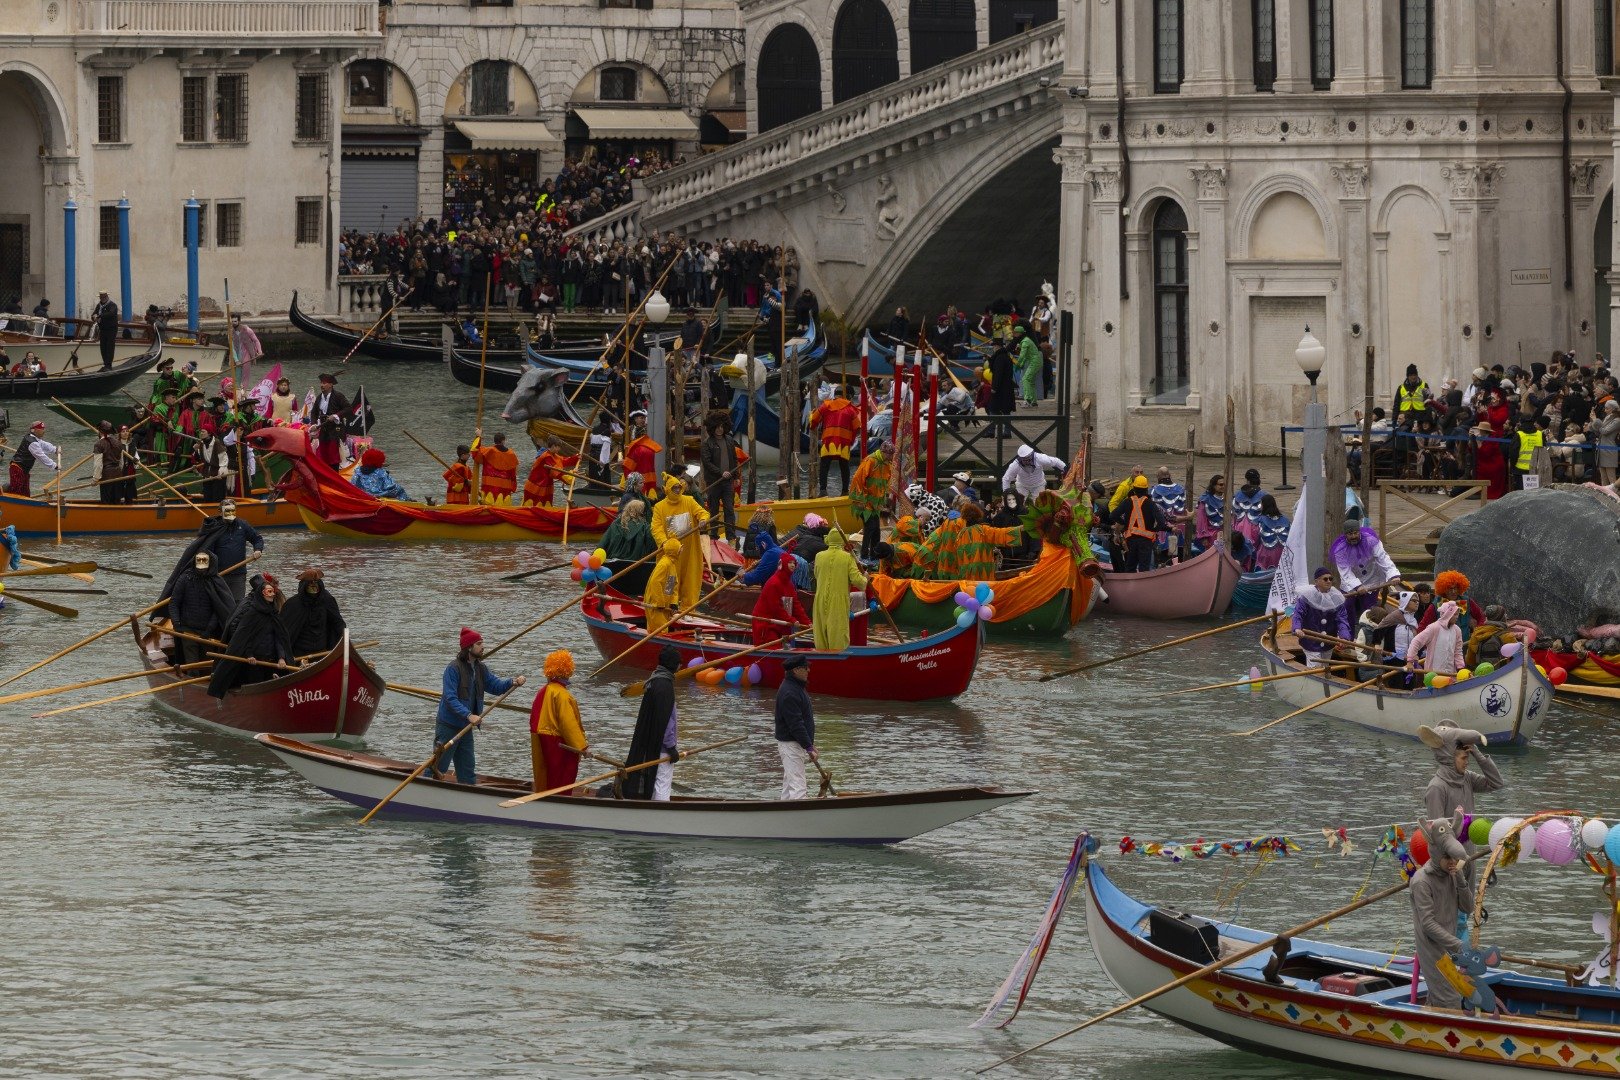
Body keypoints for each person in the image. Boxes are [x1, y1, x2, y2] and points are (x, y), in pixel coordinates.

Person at [433, 627, 524, 785]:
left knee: (467, 771)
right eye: (479, 643)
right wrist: (469, 715)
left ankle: (467, 796)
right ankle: (427, 792)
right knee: (438, 767)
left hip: (466, 728)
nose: (483, 647)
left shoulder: (480, 668)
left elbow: (495, 686)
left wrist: (512, 682)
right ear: (469, 647)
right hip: (448, 727)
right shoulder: (453, 669)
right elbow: (450, 699)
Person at [1421, 720, 1502, 897]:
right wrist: (1447, 862)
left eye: (1468, 758)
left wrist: (1478, 755)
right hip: (1449, 865)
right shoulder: (1437, 787)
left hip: (1469, 857)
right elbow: (1438, 833)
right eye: (1464, 758)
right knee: (1453, 918)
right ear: (1450, 759)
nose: (1467, 763)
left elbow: (1496, 783)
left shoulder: (1467, 778)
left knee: (1466, 911)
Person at [1408, 811, 1475, 1010]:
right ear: (1436, 854)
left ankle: (1426, 1017)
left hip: (1449, 943)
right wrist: (1458, 945)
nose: (1452, 862)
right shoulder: (1421, 882)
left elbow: (1468, 907)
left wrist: (1461, 880)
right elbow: (1428, 925)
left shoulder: (1453, 874)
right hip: (1431, 947)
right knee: (1450, 999)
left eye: (1454, 857)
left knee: (1459, 991)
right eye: (1447, 858)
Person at [207, 574, 291, 697]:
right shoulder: (250, 609)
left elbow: (278, 637)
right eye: (269, 591)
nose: (273, 594)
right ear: (261, 592)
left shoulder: (273, 613)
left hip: (269, 660)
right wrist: (247, 653)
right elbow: (243, 634)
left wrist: (282, 657)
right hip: (253, 659)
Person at [623, 644, 682, 801]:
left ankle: (652, 808)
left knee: (655, 781)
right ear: (674, 665)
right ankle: (661, 814)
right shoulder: (665, 686)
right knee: (663, 782)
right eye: (679, 662)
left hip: (650, 744)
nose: (680, 665)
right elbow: (667, 721)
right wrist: (671, 748)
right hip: (662, 748)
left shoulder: (654, 680)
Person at [530, 649, 588, 795]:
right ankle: (559, 800)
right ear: (567, 671)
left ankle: (545, 796)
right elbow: (568, 724)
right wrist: (582, 747)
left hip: (540, 738)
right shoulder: (563, 695)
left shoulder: (543, 691)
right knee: (562, 777)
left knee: (546, 774)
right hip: (558, 743)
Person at [649, 472, 710, 608]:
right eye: (674, 488)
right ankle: (669, 605)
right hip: (671, 555)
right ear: (668, 490)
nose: (677, 490)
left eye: (678, 487)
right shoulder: (659, 507)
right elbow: (656, 528)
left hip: (690, 552)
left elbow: (702, 512)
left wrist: (703, 520)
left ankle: (688, 608)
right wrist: (665, 543)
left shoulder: (689, 500)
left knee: (691, 580)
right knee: (670, 580)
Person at [1330, 506, 1401, 620]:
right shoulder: (1340, 550)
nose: (1353, 536)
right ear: (1345, 535)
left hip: (1371, 579)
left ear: (1359, 531)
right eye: (1350, 534)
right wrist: (1357, 586)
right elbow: (1345, 571)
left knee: (1369, 611)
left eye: (1355, 533)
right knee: (1347, 609)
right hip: (1350, 583)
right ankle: (1348, 635)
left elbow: (1383, 558)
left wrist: (1393, 574)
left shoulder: (1371, 541)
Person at [167, 551, 236, 669]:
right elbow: (174, 603)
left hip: (208, 632)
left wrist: (209, 629)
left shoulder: (215, 581)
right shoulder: (184, 579)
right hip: (187, 630)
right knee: (192, 666)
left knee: (207, 666)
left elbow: (218, 609)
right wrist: (177, 623)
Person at [812, 526, 866, 651]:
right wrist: (865, 578)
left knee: (821, 633)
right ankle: (837, 660)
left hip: (819, 599)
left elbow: (816, 575)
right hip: (838, 601)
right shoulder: (847, 557)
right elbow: (859, 582)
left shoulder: (819, 556)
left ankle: (822, 659)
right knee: (838, 634)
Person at [201, 499, 265, 602]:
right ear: (220, 511)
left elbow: (257, 539)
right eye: (227, 510)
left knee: (238, 603)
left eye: (232, 510)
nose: (230, 513)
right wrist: (204, 573)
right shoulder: (213, 527)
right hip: (219, 575)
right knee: (220, 603)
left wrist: (258, 549)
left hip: (238, 574)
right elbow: (204, 551)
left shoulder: (243, 525)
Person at [774, 652, 817, 800]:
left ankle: (783, 814)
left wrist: (809, 744)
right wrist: (809, 747)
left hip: (795, 744)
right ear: (796, 670)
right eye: (806, 668)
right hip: (791, 745)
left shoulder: (795, 687)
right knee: (798, 785)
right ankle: (801, 819)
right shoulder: (790, 693)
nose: (808, 671)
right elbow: (796, 724)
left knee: (789, 783)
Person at [279, 569, 346, 657]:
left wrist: (345, 640)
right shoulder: (293, 604)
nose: (313, 587)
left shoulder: (327, 600)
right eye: (310, 585)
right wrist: (282, 656)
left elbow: (337, 622)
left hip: (323, 652)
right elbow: (283, 632)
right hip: (299, 654)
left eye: (315, 584)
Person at [1293, 567, 1351, 667]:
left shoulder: (1337, 597)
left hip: (1328, 641)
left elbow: (1342, 619)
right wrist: (1297, 628)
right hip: (1310, 641)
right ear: (1316, 581)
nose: (1328, 581)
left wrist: (1344, 636)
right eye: (1325, 579)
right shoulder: (1305, 597)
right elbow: (1298, 614)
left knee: (1325, 667)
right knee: (1315, 667)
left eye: (1330, 579)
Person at [809, 386, 859, 496]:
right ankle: (845, 491)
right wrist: (851, 439)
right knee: (844, 466)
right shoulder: (850, 408)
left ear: (834, 395)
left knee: (824, 465)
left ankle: (823, 490)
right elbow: (857, 427)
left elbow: (813, 421)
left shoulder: (826, 406)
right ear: (845, 395)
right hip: (844, 441)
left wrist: (811, 414)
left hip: (829, 439)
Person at [699, 412, 739, 543]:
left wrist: (735, 476)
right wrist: (720, 472)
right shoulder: (707, 443)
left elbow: (734, 458)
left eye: (722, 426)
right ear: (712, 428)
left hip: (727, 481)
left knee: (729, 508)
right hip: (714, 481)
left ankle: (731, 536)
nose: (720, 429)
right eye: (717, 427)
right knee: (714, 508)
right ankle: (713, 535)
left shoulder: (729, 440)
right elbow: (707, 462)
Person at [753, 555, 811, 645]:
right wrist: (792, 620)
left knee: (786, 645)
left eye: (794, 563)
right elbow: (775, 607)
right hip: (766, 622)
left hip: (782, 622)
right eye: (789, 563)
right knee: (772, 647)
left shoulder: (789, 585)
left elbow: (796, 605)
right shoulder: (774, 583)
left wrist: (807, 622)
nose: (792, 565)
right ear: (782, 564)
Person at [848, 442, 891, 561]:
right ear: (883, 452)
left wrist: (883, 501)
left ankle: (874, 554)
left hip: (875, 505)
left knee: (876, 529)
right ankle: (864, 555)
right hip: (864, 502)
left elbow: (884, 484)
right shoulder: (870, 461)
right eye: (889, 455)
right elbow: (858, 479)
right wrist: (861, 499)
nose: (890, 457)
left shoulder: (886, 464)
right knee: (870, 528)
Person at [1418, 570, 1485, 638]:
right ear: (1443, 589)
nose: (1453, 591)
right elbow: (1423, 626)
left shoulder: (1467, 601)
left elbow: (1481, 617)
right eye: (1450, 589)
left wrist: (1478, 632)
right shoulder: (1436, 605)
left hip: (1465, 644)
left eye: (1455, 588)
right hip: (1443, 645)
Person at [1408, 600, 1465, 677]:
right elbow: (1416, 641)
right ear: (1448, 615)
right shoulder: (1434, 628)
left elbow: (1458, 651)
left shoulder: (1457, 630)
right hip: (1433, 675)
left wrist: (1461, 667)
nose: (1457, 616)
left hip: (1450, 674)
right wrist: (1410, 661)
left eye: (1457, 614)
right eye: (1455, 614)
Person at [1117, 476, 1162, 572]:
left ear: (1134, 488)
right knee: (1144, 568)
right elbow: (1161, 522)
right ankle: (1143, 585)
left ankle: (1129, 585)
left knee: (1130, 567)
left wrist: (1125, 524)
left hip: (1131, 540)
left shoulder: (1127, 502)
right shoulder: (1151, 504)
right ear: (1146, 489)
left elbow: (1113, 515)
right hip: (1146, 542)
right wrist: (1154, 530)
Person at [521, 437, 578, 507]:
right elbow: (557, 473)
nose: (559, 449)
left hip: (545, 485)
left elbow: (564, 461)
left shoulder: (553, 455)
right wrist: (571, 475)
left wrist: (576, 457)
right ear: (553, 446)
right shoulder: (547, 456)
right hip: (536, 486)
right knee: (535, 505)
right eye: (558, 447)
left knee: (545, 504)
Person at [6, 420, 57, 496]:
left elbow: (44, 444)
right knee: (17, 492)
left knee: (25, 493)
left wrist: (55, 449)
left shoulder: (34, 439)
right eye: (42, 429)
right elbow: (41, 456)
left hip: (24, 470)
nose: (44, 431)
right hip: (17, 468)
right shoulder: (32, 442)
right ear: (35, 430)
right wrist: (54, 466)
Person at [643, 538, 683, 635]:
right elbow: (655, 583)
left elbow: (672, 586)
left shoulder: (672, 564)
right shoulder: (664, 564)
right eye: (680, 548)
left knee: (662, 628)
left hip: (665, 605)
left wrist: (673, 603)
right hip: (656, 604)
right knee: (659, 630)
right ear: (674, 550)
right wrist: (659, 603)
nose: (682, 550)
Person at [1147, 467, 1187, 561]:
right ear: (1170, 475)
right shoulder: (1182, 489)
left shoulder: (1153, 491)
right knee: (1179, 557)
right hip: (1180, 528)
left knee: (1163, 558)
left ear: (1158, 476)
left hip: (1163, 530)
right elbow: (1186, 509)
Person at [1001, 444, 1065, 502]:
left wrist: (1065, 468)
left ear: (1032, 455)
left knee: (1040, 504)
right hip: (1022, 485)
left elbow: (1055, 461)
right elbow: (1006, 479)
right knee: (1018, 504)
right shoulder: (1015, 465)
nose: (1027, 462)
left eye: (1029, 459)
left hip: (1039, 484)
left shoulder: (1040, 458)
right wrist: (1006, 494)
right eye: (1024, 460)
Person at [601, 497, 656, 563]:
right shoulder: (646, 527)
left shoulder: (615, 524)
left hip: (613, 560)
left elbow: (603, 543)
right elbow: (652, 546)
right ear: (642, 512)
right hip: (637, 563)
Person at [1246, 494, 1290, 572]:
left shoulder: (1259, 521)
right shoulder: (1286, 520)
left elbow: (1254, 541)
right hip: (1283, 554)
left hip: (1265, 556)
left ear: (1264, 505)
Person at [473, 430, 519, 505]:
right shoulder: (511, 454)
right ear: (503, 441)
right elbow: (513, 473)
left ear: (495, 441)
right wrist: (513, 486)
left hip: (489, 488)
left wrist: (478, 437)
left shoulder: (488, 451)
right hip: (505, 488)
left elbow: (475, 452)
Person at [622, 411, 661, 496]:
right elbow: (623, 444)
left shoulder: (648, 429)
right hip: (632, 454)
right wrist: (622, 456)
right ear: (636, 419)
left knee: (643, 471)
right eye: (641, 418)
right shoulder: (629, 429)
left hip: (642, 454)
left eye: (644, 418)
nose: (643, 420)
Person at [194, 427, 234, 503]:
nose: (201, 433)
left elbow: (224, 460)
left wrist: (221, 473)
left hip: (218, 474)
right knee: (208, 497)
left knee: (217, 497)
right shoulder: (202, 444)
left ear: (209, 433)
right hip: (207, 474)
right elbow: (199, 458)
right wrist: (196, 450)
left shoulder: (217, 443)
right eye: (200, 432)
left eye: (203, 431)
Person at [1012, 325, 1042, 407]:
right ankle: (1033, 401)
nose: (1014, 335)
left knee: (1025, 379)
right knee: (1030, 381)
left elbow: (1022, 355)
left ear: (1019, 333)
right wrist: (1021, 364)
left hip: (1034, 362)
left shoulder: (1025, 342)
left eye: (1015, 333)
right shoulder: (1026, 340)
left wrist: (1018, 364)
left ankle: (1027, 400)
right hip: (1035, 361)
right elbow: (1025, 356)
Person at [987, 343, 1017, 415]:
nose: (993, 348)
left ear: (997, 346)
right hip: (1007, 387)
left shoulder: (999, 358)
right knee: (1006, 410)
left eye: (993, 346)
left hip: (1000, 388)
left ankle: (993, 425)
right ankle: (1007, 426)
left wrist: (994, 387)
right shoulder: (1007, 356)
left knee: (993, 408)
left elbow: (998, 373)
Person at [92, 291, 119, 370]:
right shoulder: (99, 306)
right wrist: (93, 317)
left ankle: (108, 365)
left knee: (109, 347)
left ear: (107, 297)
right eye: (101, 297)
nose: (102, 298)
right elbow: (94, 314)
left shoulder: (113, 305)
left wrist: (99, 316)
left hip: (111, 329)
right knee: (103, 347)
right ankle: (105, 364)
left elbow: (111, 313)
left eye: (104, 297)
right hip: (102, 329)